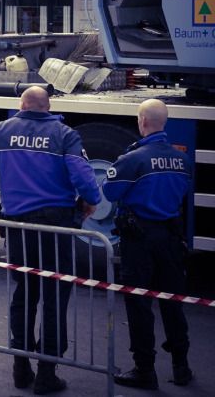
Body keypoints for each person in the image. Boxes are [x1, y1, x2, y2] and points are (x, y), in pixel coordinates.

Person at [0, 86, 100, 394]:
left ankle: (20, 367)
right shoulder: (64, 134)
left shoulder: (1, 131)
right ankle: (47, 373)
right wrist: (90, 201)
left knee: (24, 292)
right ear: (48, 107)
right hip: (55, 228)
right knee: (55, 295)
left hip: (17, 226)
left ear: (21, 105)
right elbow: (83, 175)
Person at [104, 99, 193, 389]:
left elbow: (110, 190)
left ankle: (145, 369)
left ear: (142, 121)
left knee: (139, 303)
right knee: (173, 302)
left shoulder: (134, 158)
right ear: (163, 123)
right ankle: (181, 366)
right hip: (170, 238)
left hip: (140, 240)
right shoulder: (181, 159)